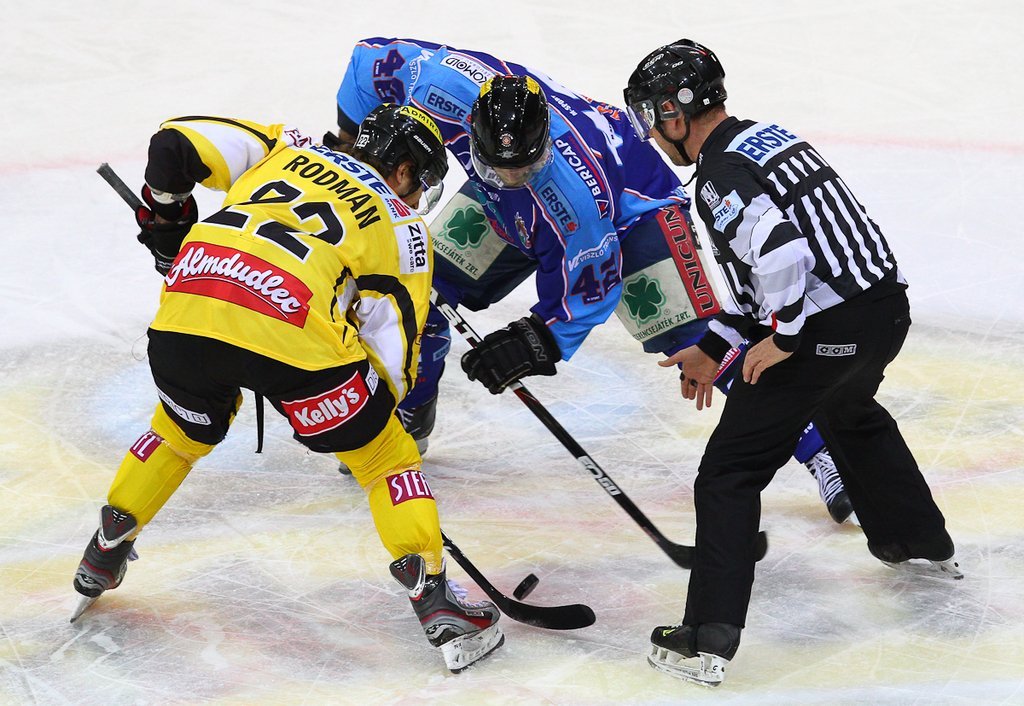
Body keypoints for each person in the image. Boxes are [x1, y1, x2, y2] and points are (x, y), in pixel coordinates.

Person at [334, 37, 855, 524]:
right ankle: (411, 411)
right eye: (498, 167)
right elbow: (367, 62)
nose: (510, 177)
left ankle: (823, 450)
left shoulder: (575, 203)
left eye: (521, 170)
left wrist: (533, 342)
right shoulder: (442, 86)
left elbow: (589, 291)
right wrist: (352, 150)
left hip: (633, 214)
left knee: (697, 340)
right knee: (416, 290)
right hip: (508, 209)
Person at [71, 105, 505, 673]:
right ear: (402, 170)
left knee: (177, 431)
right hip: (296, 339)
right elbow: (393, 350)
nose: (419, 195)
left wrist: (168, 219)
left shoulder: (284, 146)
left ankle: (106, 548)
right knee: (386, 458)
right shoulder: (404, 228)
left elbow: (174, 143)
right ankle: (436, 598)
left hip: (185, 316)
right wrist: (371, 421)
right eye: (420, 181)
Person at [623, 39, 962, 687]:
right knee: (847, 409)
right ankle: (919, 543)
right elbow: (766, 276)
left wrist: (783, 338)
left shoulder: (720, 174)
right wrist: (714, 347)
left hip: (825, 329)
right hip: (883, 312)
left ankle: (706, 639)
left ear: (675, 111)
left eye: (652, 117)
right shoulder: (766, 138)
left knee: (729, 472)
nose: (653, 134)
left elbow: (782, 256)